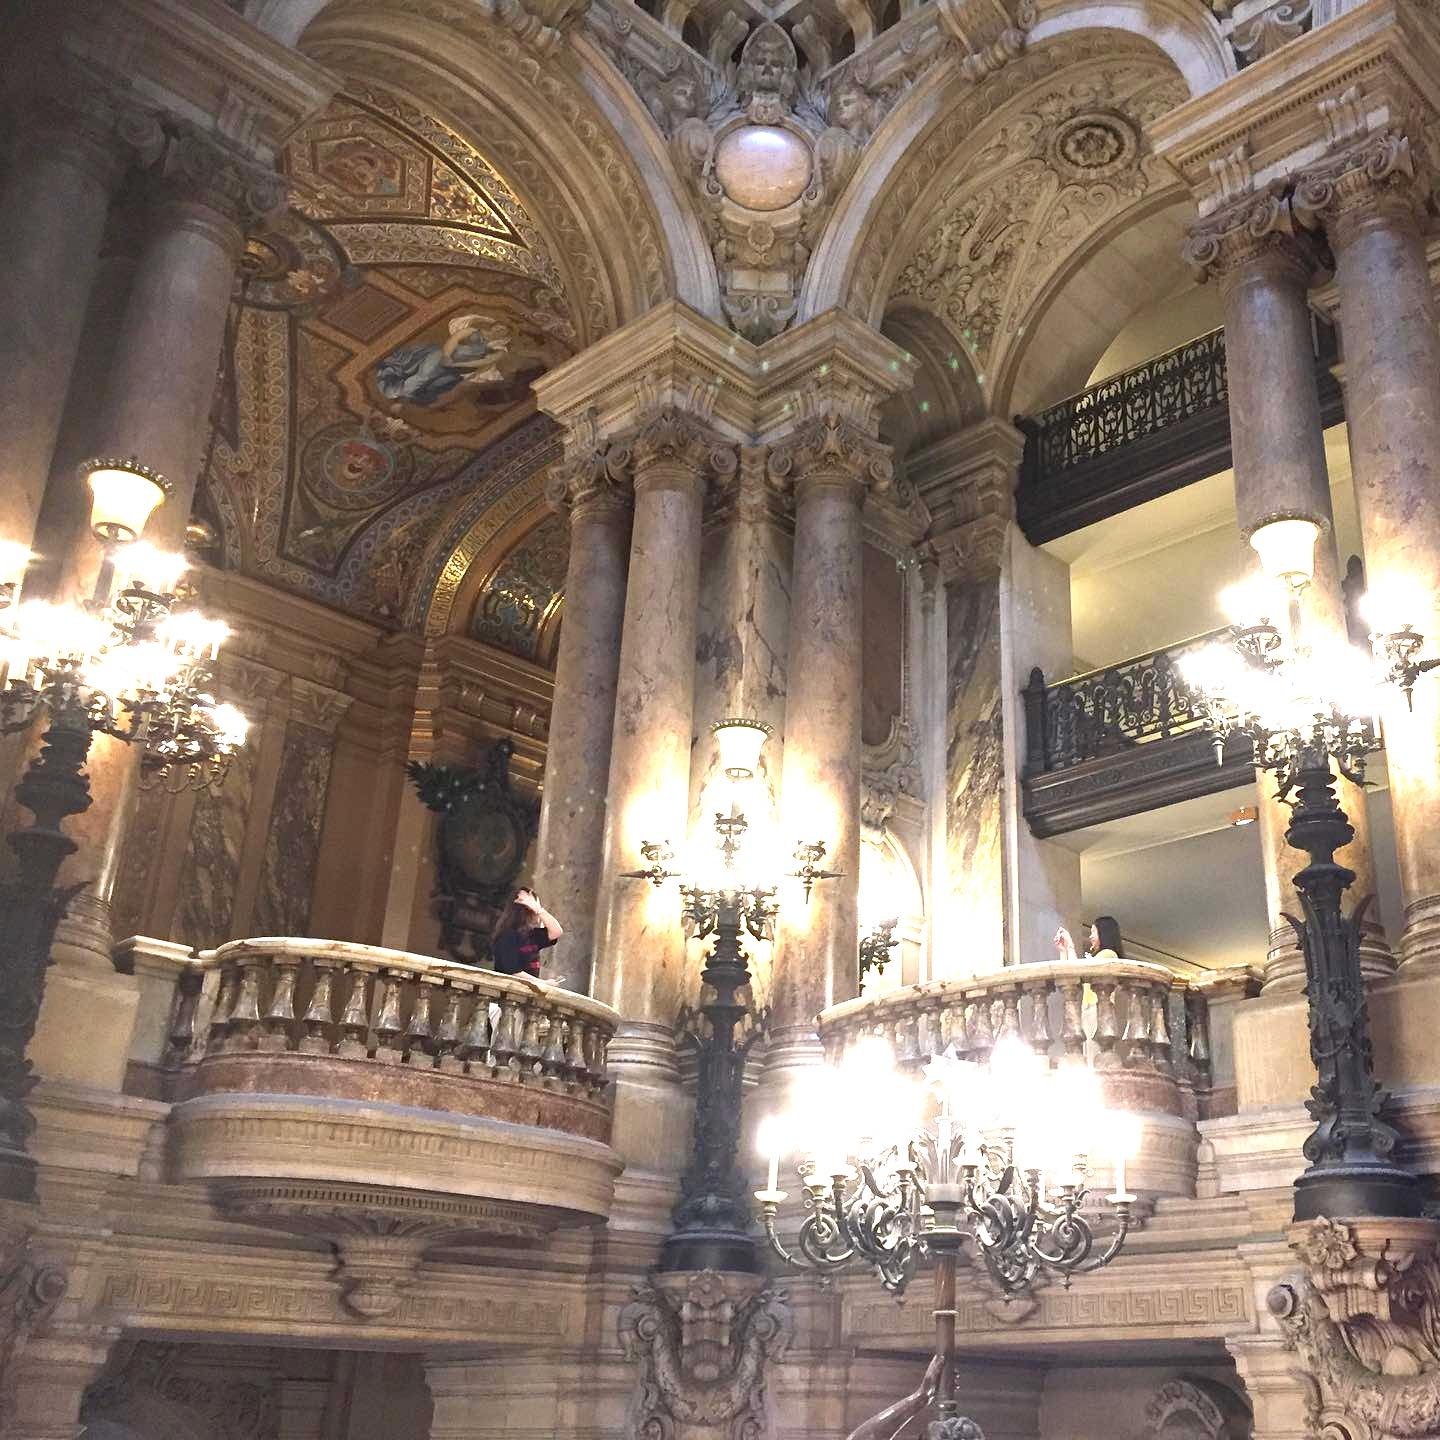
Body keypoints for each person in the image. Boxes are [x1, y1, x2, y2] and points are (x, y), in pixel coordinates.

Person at [490, 888, 563, 978]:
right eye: (532, 905)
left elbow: (556, 932)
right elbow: (513, 971)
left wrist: (539, 910)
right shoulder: (507, 935)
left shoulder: (532, 934)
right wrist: (542, 984)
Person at [1052, 914, 1123, 962]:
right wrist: (1063, 950)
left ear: (1104, 933)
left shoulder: (1108, 954)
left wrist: (1070, 946)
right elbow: (1068, 976)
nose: (1090, 936)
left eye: (1093, 931)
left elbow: (1076, 974)